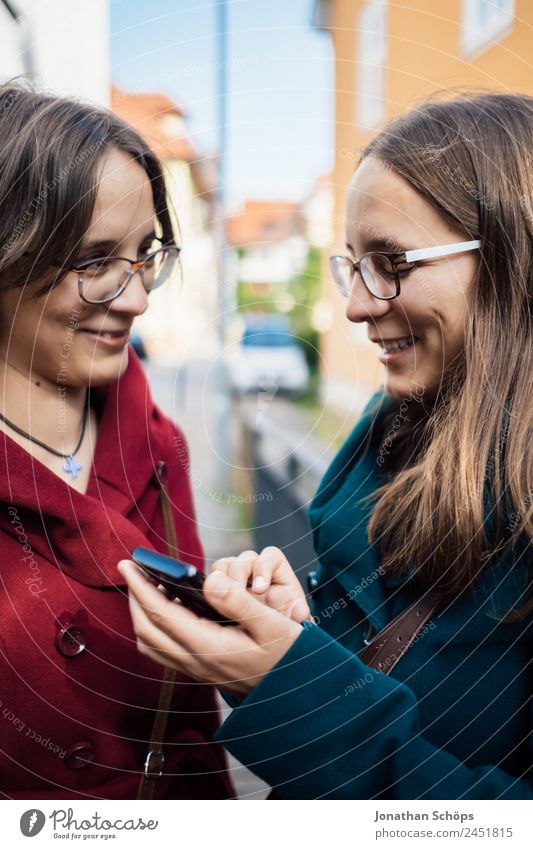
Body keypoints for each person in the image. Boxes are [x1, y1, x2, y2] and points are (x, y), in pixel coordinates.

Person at [120, 92, 533, 800]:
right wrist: (303, 639)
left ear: (508, 257)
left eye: (392, 261)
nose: (354, 304)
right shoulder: (389, 430)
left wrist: (299, 693)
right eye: (353, 264)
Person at [0, 82, 233, 800]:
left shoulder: (158, 444)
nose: (135, 296)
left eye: (144, 255)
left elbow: (191, 717)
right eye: (94, 260)